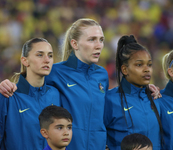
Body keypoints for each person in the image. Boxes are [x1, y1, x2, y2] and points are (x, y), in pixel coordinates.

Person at [0, 19, 161, 150]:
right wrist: (8, 85)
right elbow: (33, 88)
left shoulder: (101, 74)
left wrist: (144, 89)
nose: (99, 45)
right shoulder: (55, 72)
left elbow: (106, 108)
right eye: (92, 40)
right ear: (75, 44)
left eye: (101, 40)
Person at [104, 35, 163, 150]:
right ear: (124, 69)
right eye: (139, 65)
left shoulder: (156, 98)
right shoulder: (109, 100)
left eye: (149, 64)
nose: (147, 69)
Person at [0, 38, 61, 150]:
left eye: (50, 55)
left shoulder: (55, 94)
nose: (47, 60)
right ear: (25, 60)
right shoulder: (8, 96)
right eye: (40, 55)